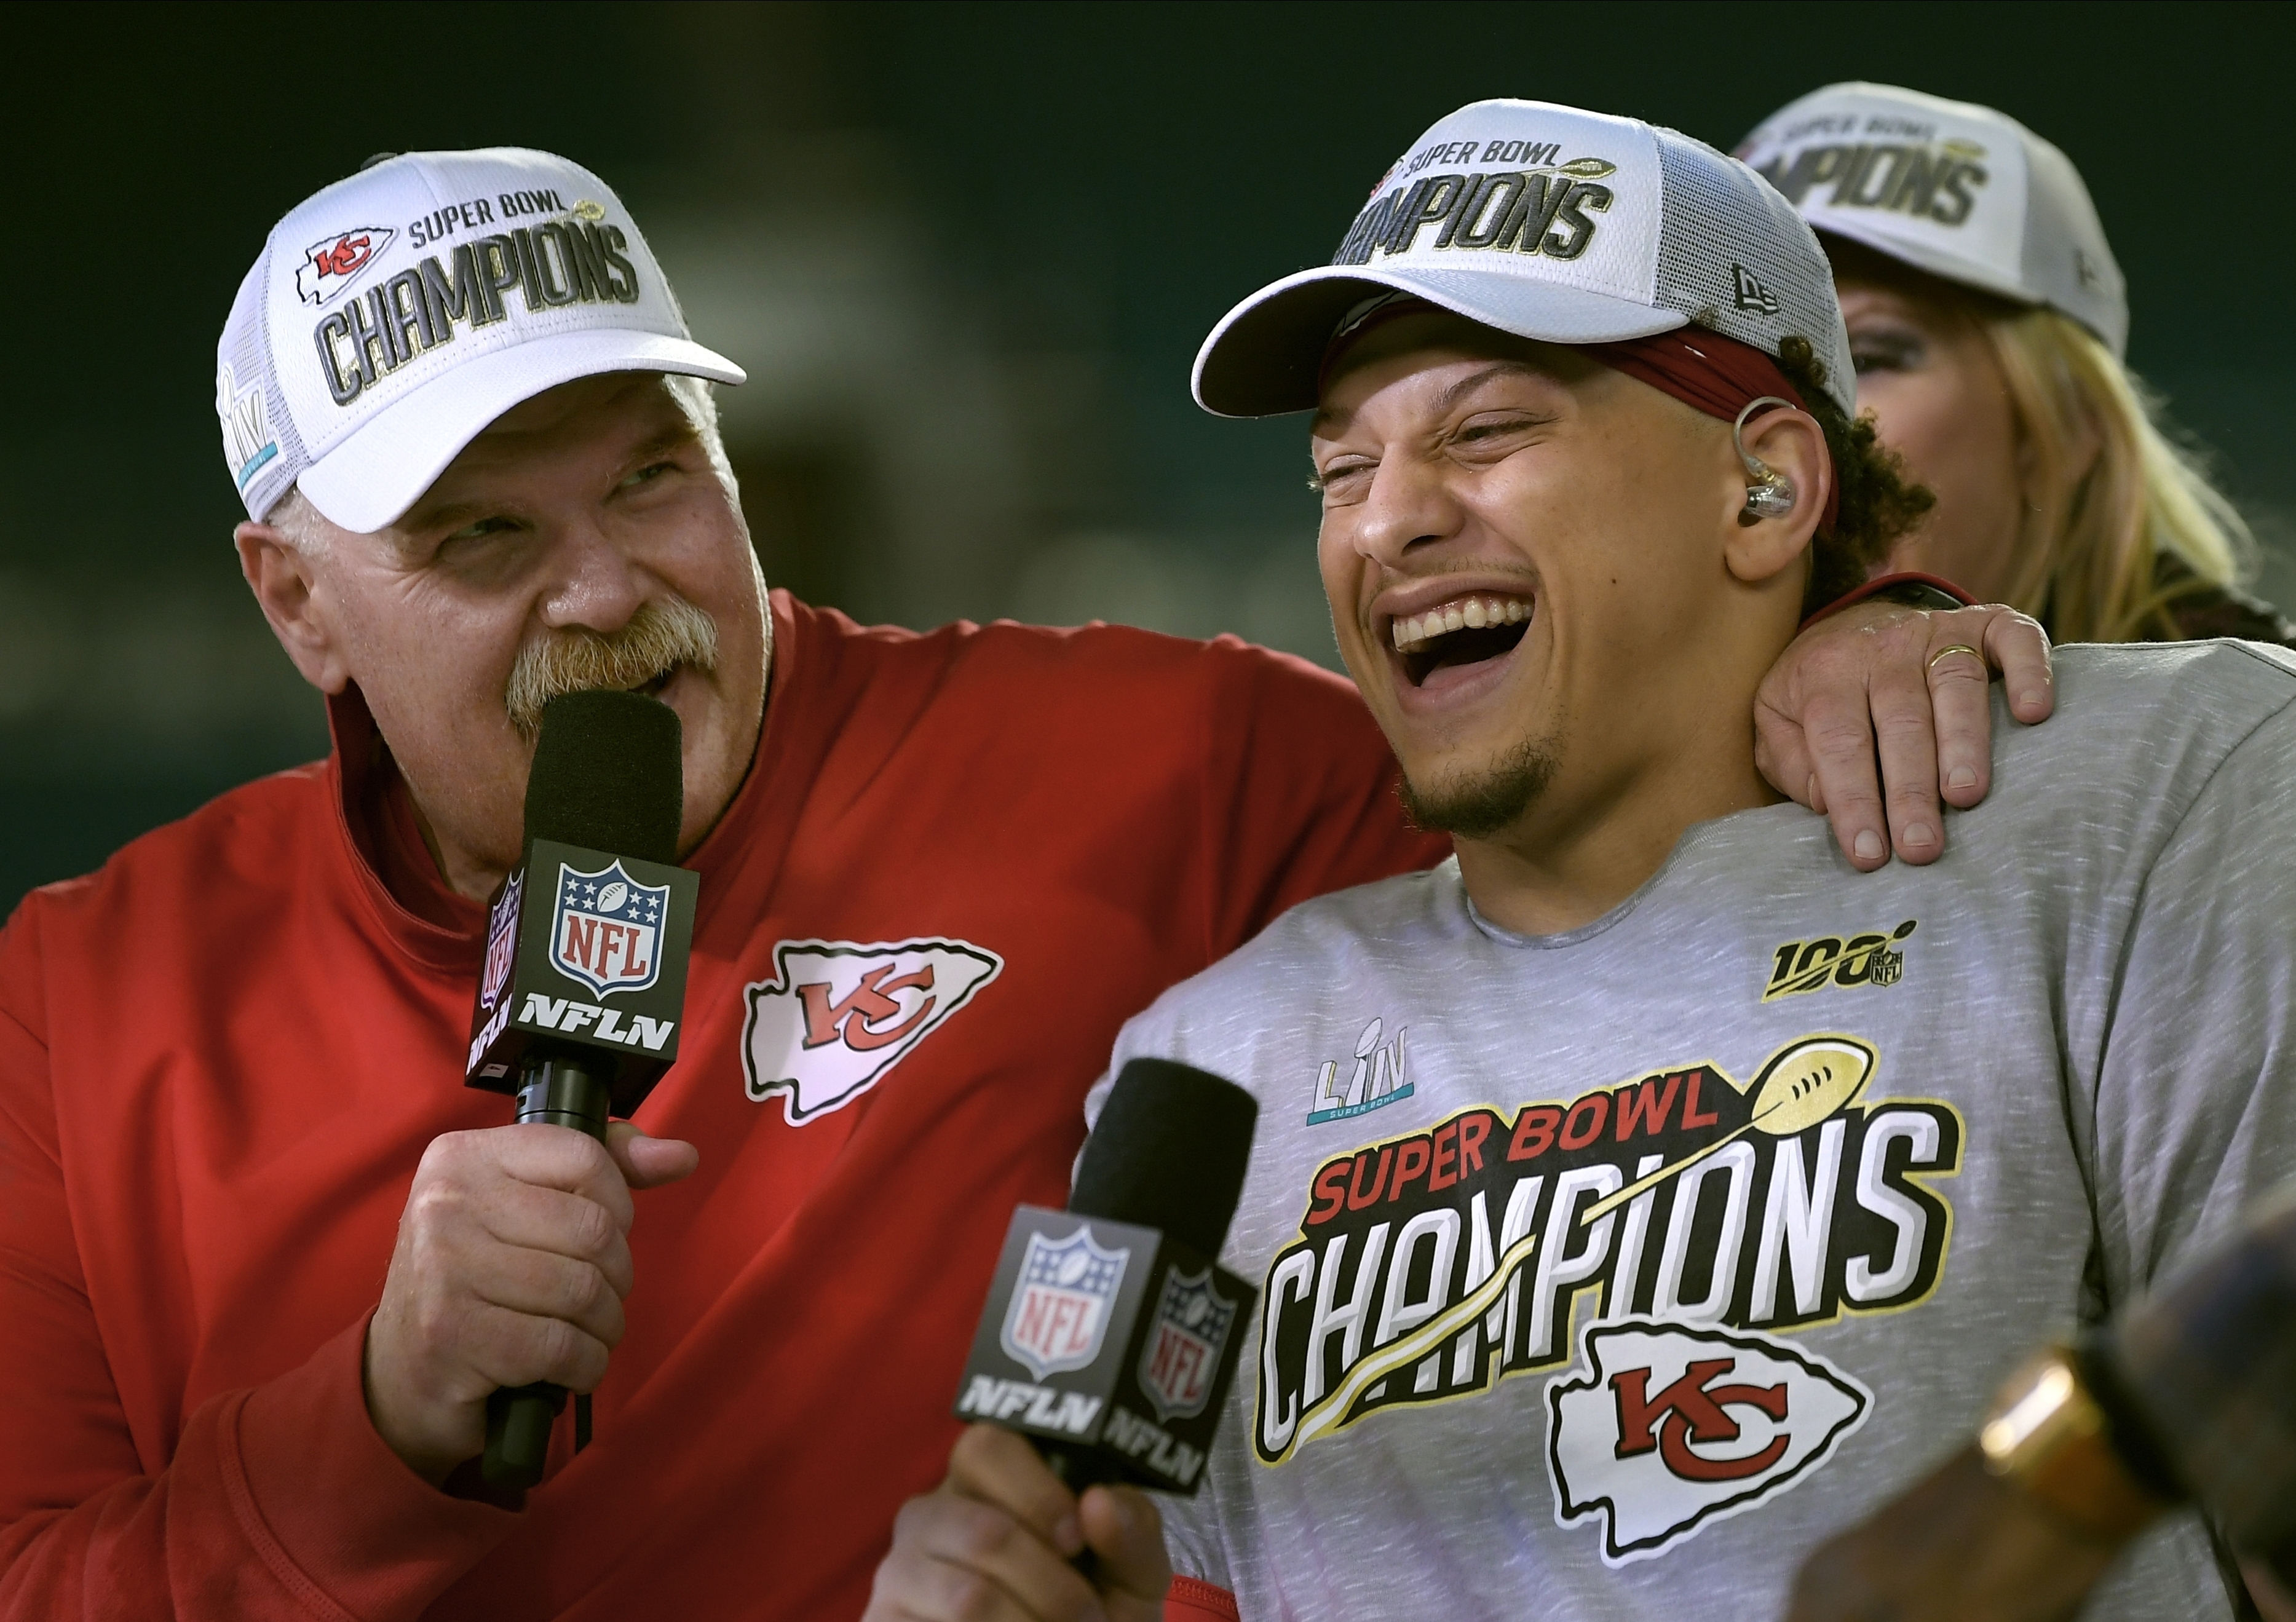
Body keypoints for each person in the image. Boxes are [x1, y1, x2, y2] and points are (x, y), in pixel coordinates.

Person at [0, 146, 2036, 1621]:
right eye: (478, 537)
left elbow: (1599, 740)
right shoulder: (77, 1006)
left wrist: (1857, 626)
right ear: (299, 604)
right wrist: (374, 1419)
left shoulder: (1160, 760)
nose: (610, 589)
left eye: (649, 477)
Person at [871, 98, 2296, 1622]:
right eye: (1337, 472)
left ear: (1765, 486)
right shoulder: (1209, 1063)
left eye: (1484, 430)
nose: (1388, 524)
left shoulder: (2146, 794)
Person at [1740, 82, 2292, 646]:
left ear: (2064, 423)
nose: (1785, 418)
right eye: (1744, 355)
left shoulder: (2261, 721)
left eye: (1866, 357)